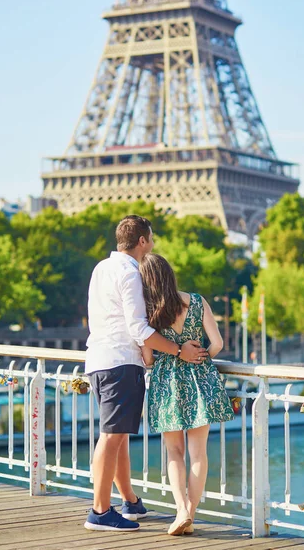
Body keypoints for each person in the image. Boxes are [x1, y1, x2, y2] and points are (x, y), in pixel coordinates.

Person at [84, 215, 208, 533]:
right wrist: (180, 351)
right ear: (142, 241)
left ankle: (129, 501)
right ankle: (99, 511)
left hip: (98, 358)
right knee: (111, 437)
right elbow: (139, 329)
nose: (152, 244)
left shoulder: (101, 268)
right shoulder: (130, 273)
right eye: (151, 238)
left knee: (119, 435)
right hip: (120, 362)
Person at [139, 253, 234, 536]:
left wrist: (166, 357)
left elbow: (148, 359)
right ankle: (190, 514)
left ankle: (180, 509)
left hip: (167, 383)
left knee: (174, 452)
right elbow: (217, 343)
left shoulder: (149, 311)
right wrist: (201, 357)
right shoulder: (196, 301)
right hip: (199, 378)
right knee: (198, 453)